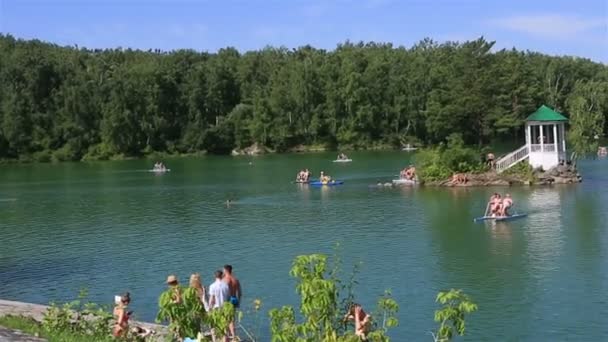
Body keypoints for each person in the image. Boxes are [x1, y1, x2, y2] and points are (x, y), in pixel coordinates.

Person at [223, 265, 242, 340]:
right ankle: (234, 336)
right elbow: (240, 293)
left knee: (226, 319)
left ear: (225, 270)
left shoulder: (224, 280)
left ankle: (226, 336)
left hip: (227, 301)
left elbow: (223, 292)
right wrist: (239, 302)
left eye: (224, 270)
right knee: (232, 319)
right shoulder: (236, 280)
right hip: (234, 299)